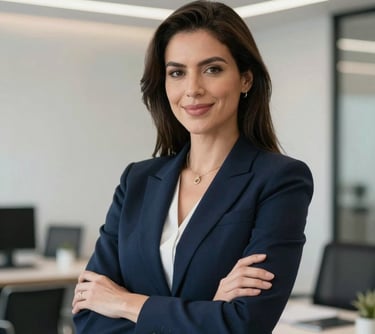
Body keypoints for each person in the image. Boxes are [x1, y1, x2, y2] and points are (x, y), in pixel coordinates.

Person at [72, 1, 313, 333]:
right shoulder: (137, 181)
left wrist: (124, 303)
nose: (192, 89)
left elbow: (245, 324)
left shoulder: (280, 180)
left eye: (212, 69)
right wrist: (209, 311)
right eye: (177, 72)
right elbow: (88, 316)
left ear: (245, 79)